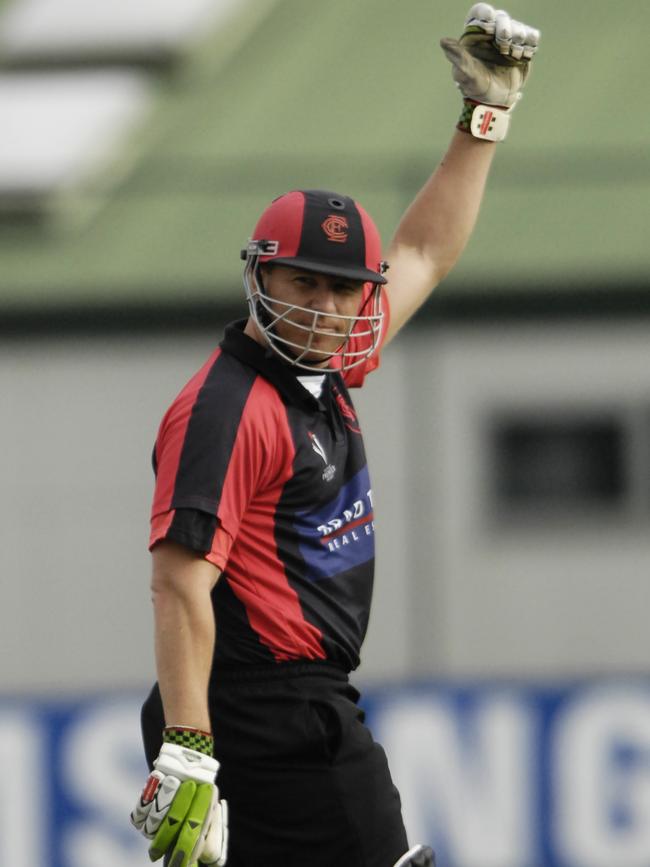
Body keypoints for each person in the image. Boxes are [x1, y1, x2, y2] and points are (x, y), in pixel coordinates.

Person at [130, 5, 540, 866]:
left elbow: (424, 250)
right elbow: (179, 584)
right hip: (265, 710)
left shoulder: (328, 363)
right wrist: (191, 749)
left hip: (286, 704)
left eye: (344, 288)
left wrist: (484, 120)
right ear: (260, 274)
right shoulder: (229, 406)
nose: (325, 306)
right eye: (304, 281)